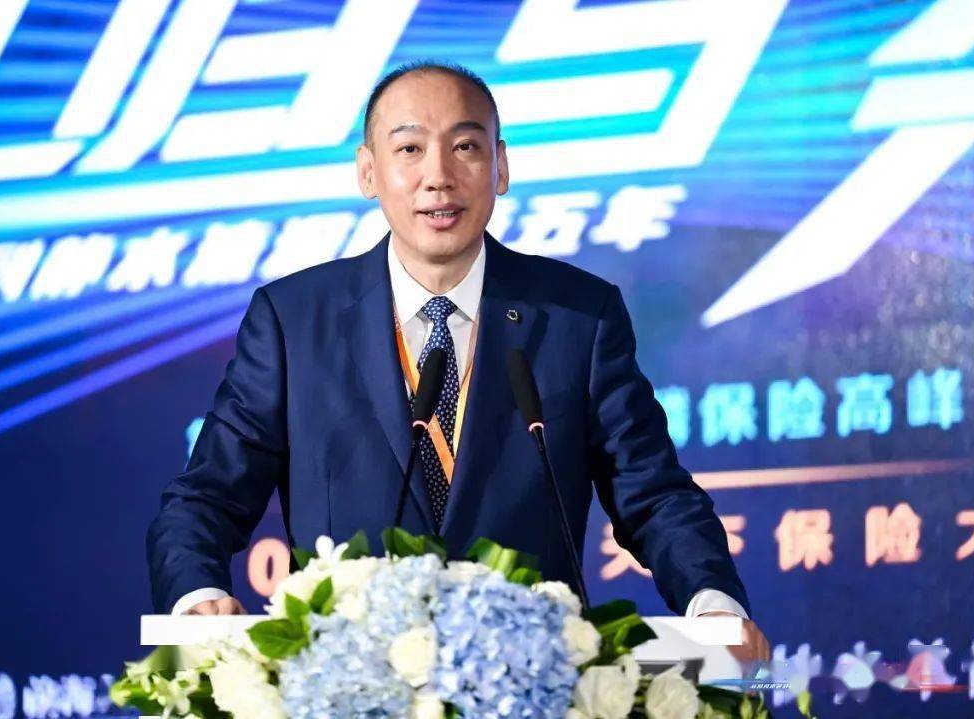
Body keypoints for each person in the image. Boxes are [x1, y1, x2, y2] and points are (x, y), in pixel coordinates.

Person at [147, 61, 770, 662]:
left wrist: (710, 600)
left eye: (466, 147)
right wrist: (197, 596)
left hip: (537, 682)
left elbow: (653, 494)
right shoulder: (293, 321)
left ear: (500, 166)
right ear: (368, 171)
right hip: (346, 682)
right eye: (410, 149)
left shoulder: (578, 317)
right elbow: (207, 497)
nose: (439, 176)